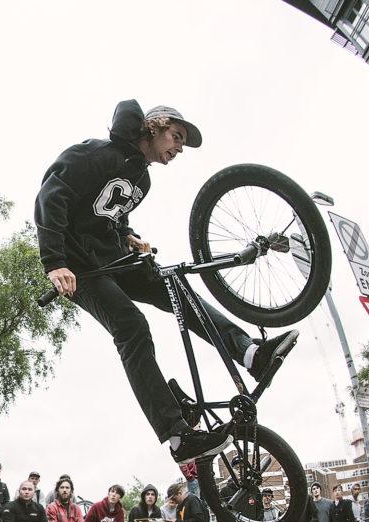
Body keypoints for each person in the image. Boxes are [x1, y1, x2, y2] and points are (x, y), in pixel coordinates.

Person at [35, 100, 297, 465]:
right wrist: (54, 261)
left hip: (113, 257)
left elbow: (107, 213)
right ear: (153, 126)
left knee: (174, 287)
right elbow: (53, 194)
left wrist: (128, 235)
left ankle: (250, 353)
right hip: (78, 267)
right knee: (131, 327)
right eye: (175, 137)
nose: (178, 148)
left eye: (182, 144)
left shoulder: (142, 179)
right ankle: (177, 436)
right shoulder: (98, 153)